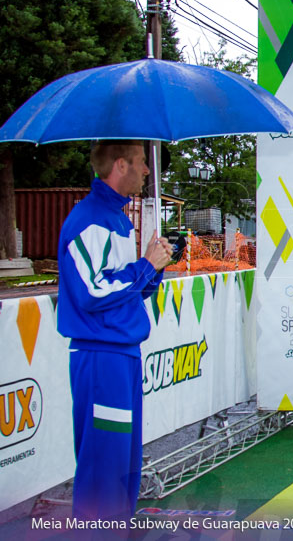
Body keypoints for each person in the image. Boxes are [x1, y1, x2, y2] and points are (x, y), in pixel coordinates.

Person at [57, 141, 174, 521]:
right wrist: (145, 266)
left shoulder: (118, 218)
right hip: (100, 354)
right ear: (120, 164)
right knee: (104, 467)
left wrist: (153, 268)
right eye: (141, 163)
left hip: (120, 353)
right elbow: (93, 291)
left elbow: (125, 293)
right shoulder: (90, 219)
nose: (146, 171)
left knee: (122, 464)